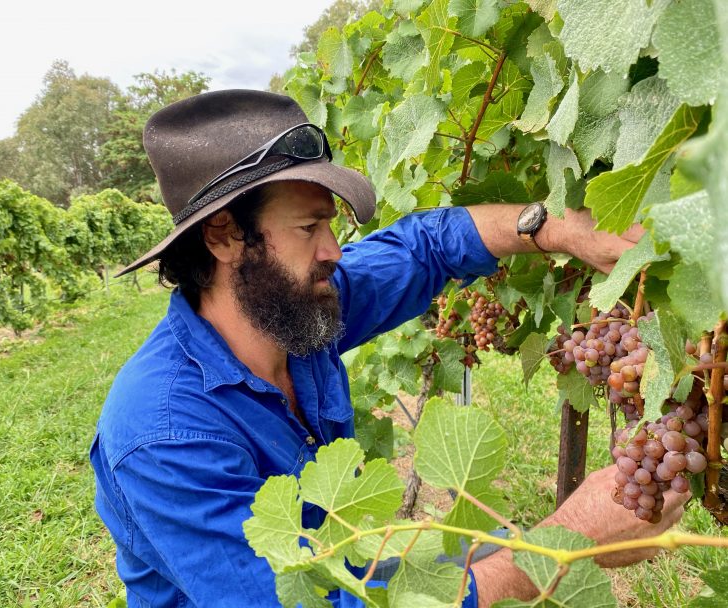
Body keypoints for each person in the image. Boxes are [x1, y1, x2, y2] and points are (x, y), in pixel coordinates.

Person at [90, 90, 687, 608]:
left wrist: (560, 228)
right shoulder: (164, 432)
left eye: (331, 226)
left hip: (346, 569)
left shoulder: (293, 312)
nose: (333, 251)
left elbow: (427, 244)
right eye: (307, 229)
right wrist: (565, 540)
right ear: (223, 237)